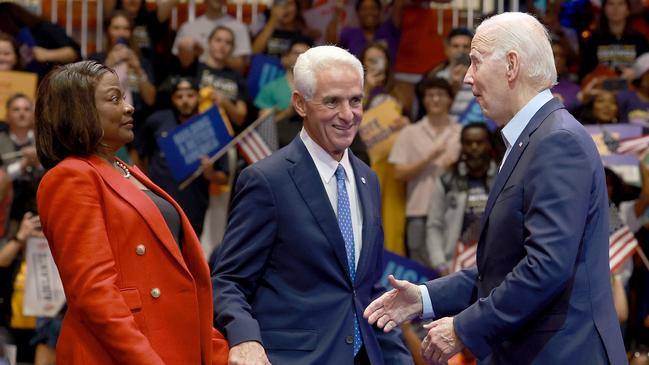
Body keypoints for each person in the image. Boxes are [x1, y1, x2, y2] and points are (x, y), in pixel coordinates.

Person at [364, 12, 627, 364]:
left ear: (511, 65)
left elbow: (545, 267)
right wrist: (424, 298)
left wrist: (462, 328)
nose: (468, 77)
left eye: (475, 61)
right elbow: (503, 267)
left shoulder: (557, 141)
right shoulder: (533, 138)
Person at [211, 45, 413, 364]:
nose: (348, 115)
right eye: (332, 101)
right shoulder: (266, 180)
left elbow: (366, 289)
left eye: (355, 101)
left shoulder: (368, 179)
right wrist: (244, 338)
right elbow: (228, 281)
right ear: (300, 104)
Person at [34, 60, 228, 364]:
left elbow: (182, 281)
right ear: (79, 111)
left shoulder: (126, 169)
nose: (129, 108)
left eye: (124, 97)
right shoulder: (70, 176)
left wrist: (218, 352)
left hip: (169, 345)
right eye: (114, 99)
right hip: (121, 354)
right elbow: (94, 293)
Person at [135, 76, 229, 239]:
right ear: (173, 99)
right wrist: (141, 182)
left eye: (190, 95)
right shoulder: (157, 120)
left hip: (194, 209)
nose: (185, 101)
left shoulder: (212, 126)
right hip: (157, 204)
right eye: (179, 96)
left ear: (198, 96)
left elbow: (224, 177)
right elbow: (138, 150)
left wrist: (211, 174)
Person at [388, 77, 461, 268]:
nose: (435, 99)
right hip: (419, 211)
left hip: (453, 211)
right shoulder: (409, 132)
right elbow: (399, 173)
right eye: (430, 95)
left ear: (450, 100)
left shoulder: (461, 133)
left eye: (440, 95)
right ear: (424, 100)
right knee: (420, 270)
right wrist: (428, 158)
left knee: (453, 266)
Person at [426, 123, 497, 275]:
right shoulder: (447, 180)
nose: (474, 147)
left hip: (494, 263)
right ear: (462, 145)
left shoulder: (503, 176)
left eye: (479, 142)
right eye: (468, 143)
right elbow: (434, 225)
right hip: (456, 265)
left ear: (489, 144)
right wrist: (440, 264)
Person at [173, 0, 251, 73]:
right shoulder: (187, 28)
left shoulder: (240, 27)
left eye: (228, 42)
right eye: (218, 40)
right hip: (194, 81)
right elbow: (179, 64)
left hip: (225, 82)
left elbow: (241, 66)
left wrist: (216, 54)